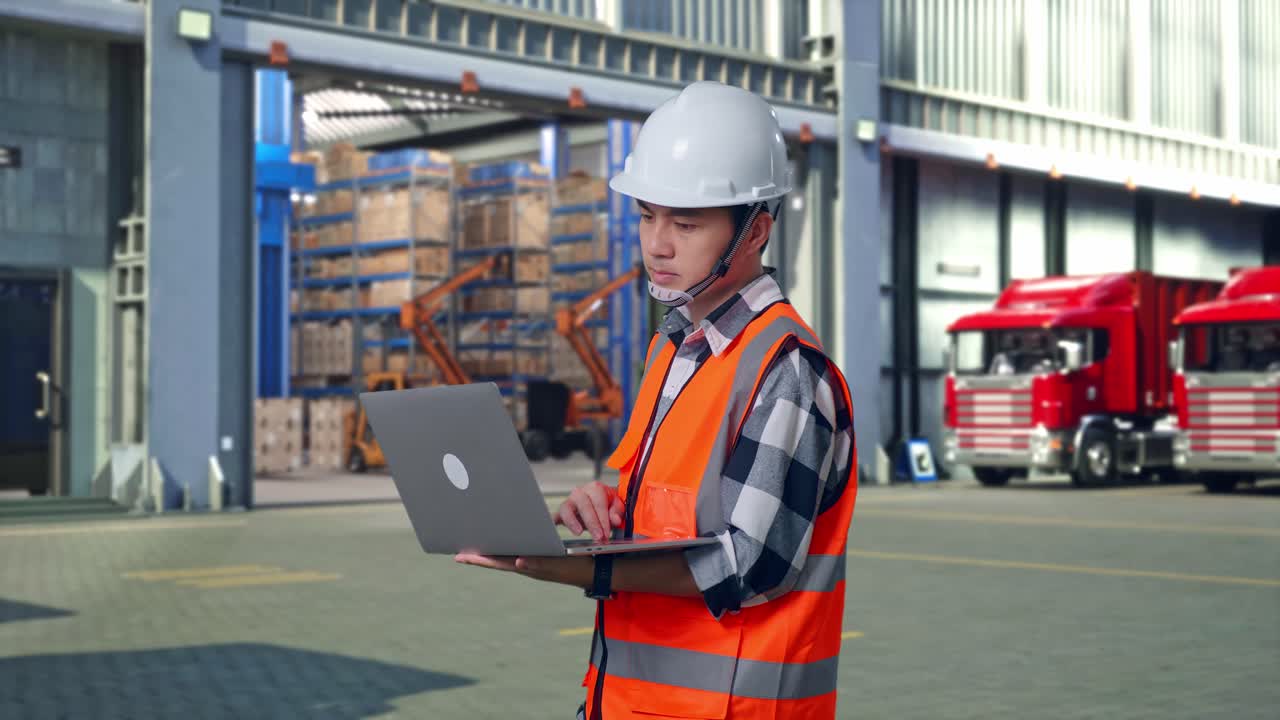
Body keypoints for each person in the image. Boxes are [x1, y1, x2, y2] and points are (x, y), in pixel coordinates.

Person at [455, 81, 859, 719]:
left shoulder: (786, 372)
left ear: (756, 231)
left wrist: (576, 570)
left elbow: (746, 564)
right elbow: (661, 515)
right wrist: (603, 510)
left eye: (686, 222)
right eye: (647, 215)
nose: (657, 243)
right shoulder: (673, 349)